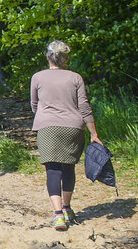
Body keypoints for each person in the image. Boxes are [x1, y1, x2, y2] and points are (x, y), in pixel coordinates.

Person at [30, 40, 101, 231]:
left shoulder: (37, 77)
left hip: (47, 127)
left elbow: (34, 105)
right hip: (73, 127)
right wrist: (93, 133)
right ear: (66, 58)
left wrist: (46, 116)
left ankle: (58, 215)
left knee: (53, 169)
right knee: (68, 167)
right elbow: (84, 107)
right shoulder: (75, 77)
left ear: (48, 57)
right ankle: (67, 208)